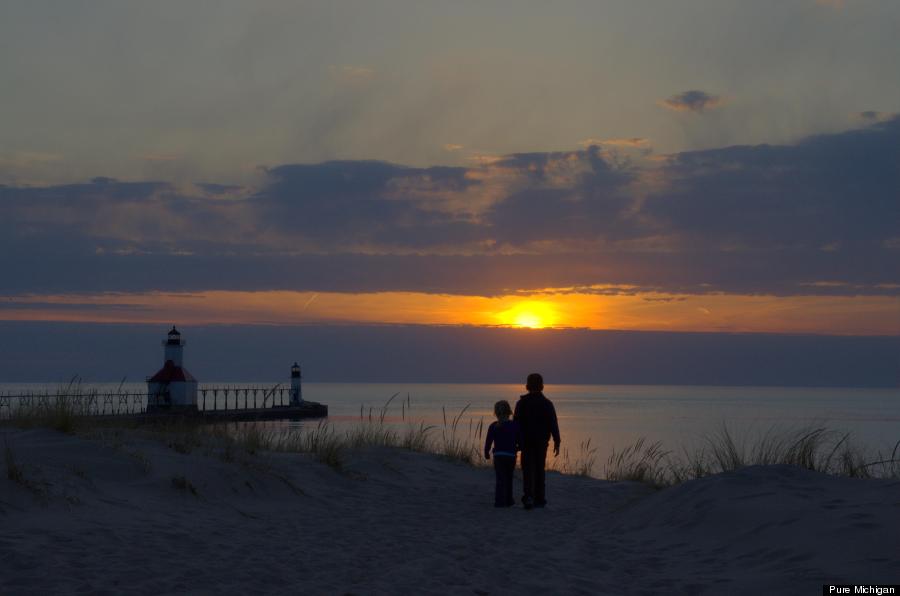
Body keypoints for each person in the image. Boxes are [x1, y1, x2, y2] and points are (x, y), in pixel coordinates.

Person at [513, 373, 560, 510]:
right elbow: (553, 423)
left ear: (527, 386)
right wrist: (557, 441)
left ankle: (528, 497)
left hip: (526, 442)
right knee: (540, 469)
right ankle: (539, 498)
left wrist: (515, 443)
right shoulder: (547, 404)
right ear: (542, 386)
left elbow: (516, 424)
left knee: (527, 469)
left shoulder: (521, 403)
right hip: (541, 442)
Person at [484, 400, 522, 508]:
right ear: (509, 411)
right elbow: (520, 441)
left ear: (496, 413)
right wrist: (517, 448)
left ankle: (499, 502)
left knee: (500, 479)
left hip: (498, 456)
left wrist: (486, 453)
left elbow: (488, 442)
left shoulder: (493, 426)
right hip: (510, 456)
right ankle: (509, 501)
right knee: (509, 478)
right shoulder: (515, 425)